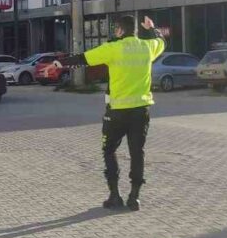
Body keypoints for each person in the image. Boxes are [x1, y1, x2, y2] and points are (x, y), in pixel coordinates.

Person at [55, 15, 164, 211]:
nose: (115, 32)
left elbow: (83, 59)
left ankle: (115, 195)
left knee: (109, 150)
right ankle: (134, 198)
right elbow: (161, 41)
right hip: (141, 111)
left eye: (116, 29)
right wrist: (152, 28)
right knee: (137, 153)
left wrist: (57, 64)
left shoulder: (113, 49)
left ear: (121, 31)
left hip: (117, 112)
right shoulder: (147, 48)